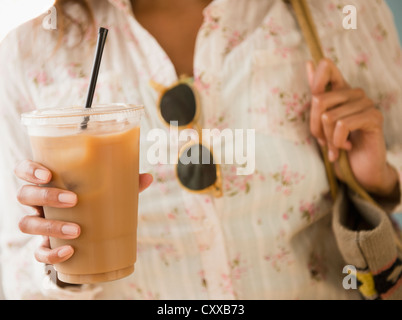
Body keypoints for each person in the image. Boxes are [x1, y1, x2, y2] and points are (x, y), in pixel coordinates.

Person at [0, 0, 401, 300]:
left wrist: (379, 177)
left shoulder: (340, 11)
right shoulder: (27, 55)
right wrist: (64, 261)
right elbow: (16, 272)